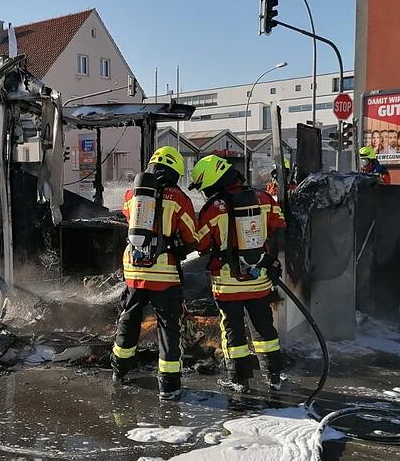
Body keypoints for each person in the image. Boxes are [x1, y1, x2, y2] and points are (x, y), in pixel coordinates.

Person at [189, 155, 287, 393]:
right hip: (258, 280)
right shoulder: (263, 198)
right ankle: (273, 377)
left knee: (232, 329)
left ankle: (239, 381)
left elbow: (200, 243)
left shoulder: (213, 208)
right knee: (264, 329)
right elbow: (280, 226)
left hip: (227, 284)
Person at [113, 146, 200, 401]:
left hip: (133, 270)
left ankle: (119, 370)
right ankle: (169, 386)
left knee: (129, 319)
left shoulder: (132, 194)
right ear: (175, 169)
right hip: (163, 274)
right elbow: (192, 237)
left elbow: (131, 220)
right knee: (168, 326)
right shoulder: (178, 198)